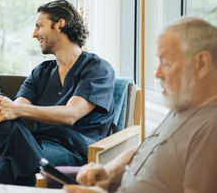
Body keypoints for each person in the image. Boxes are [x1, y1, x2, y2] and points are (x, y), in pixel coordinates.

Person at [64, 17, 217, 193]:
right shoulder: (185, 106)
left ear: (201, 63)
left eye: (166, 63)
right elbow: (150, 148)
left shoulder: (211, 130)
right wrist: (108, 170)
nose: (157, 73)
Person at [0, 0, 115, 186]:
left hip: (73, 149)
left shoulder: (97, 68)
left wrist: (14, 110)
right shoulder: (41, 71)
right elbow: (17, 107)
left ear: (60, 24)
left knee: (9, 164)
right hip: (34, 144)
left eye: (39, 26)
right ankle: (36, 168)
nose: (34, 34)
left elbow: (71, 114)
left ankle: (34, 167)